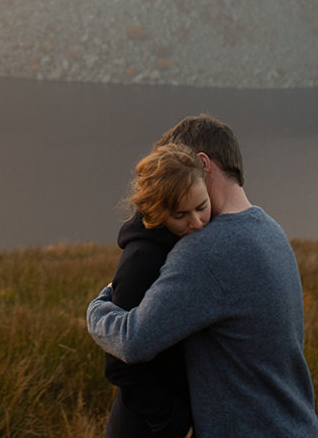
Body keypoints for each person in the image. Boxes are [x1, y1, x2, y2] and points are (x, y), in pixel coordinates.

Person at [87, 114, 318, 438]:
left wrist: (97, 308)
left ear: (201, 165)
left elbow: (135, 341)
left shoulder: (207, 249)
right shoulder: (272, 232)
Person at [103, 143, 212, 438]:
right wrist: (174, 422)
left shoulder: (192, 241)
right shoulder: (143, 260)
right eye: (181, 215)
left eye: (202, 207)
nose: (197, 223)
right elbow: (118, 363)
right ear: (157, 212)